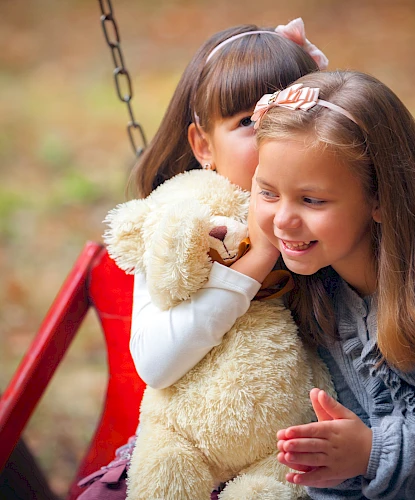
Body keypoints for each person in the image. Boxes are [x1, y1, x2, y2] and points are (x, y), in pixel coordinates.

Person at [77, 18, 327, 499]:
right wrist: (257, 261)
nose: (272, 136)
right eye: (248, 123)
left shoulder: (326, 220)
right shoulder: (184, 223)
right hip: (183, 456)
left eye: (286, 114)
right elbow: (156, 362)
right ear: (203, 146)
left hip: (284, 466)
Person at [251, 71, 415, 499]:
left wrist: (371, 454)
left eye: (312, 200)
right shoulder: (316, 285)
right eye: (268, 192)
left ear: (381, 197)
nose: (283, 219)